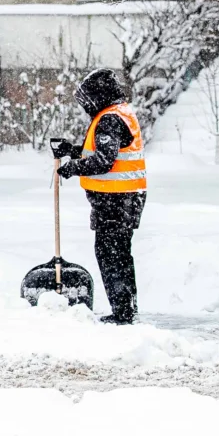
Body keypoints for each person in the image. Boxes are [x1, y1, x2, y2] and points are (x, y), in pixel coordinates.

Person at [50, 69, 147, 325]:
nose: (86, 106)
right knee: (119, 254)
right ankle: (127, 308)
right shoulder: (119, 113)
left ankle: (123, 313)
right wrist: (73, 151)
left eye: (87, 100)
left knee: (111, 254)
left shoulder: (109, 119)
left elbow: (104, 160)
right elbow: (104, 152)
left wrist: (73, 168)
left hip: (116, 201)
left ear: (98, 96)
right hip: (123, 198)